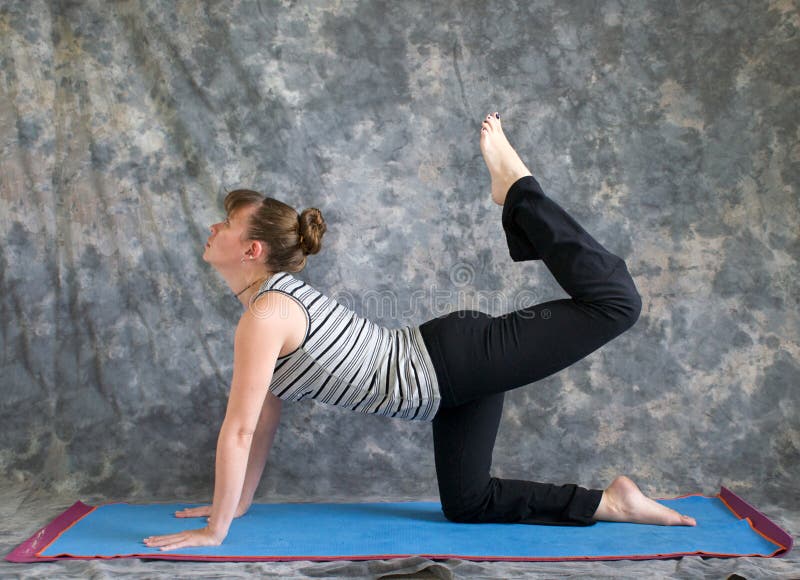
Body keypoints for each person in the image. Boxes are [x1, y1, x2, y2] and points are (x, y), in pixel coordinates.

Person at [143, 112, 696, 552]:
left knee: (616, 304)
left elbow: (237, 433)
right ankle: (612, 502)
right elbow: (261, 421)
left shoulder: (265, 316)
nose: (213, 227)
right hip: (446, 387)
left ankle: (519, 190)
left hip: (456, 362)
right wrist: (235, 506)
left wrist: (215, 531)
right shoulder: (265, 310)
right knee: (468, 502)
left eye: (226, 224)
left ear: (251, 250)